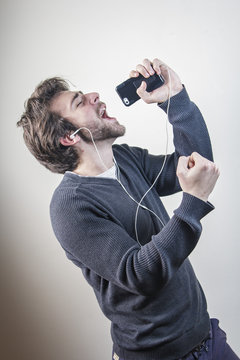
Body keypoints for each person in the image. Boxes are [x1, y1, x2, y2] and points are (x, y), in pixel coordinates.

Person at [17, 58, 239, 360]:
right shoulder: (70, 207)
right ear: (69, 137)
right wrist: (193, 202)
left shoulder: (124, 160)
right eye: (80, 101)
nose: (95, 95)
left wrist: (175, 99)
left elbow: (195, 163)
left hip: (206, 338)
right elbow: (140, 274)